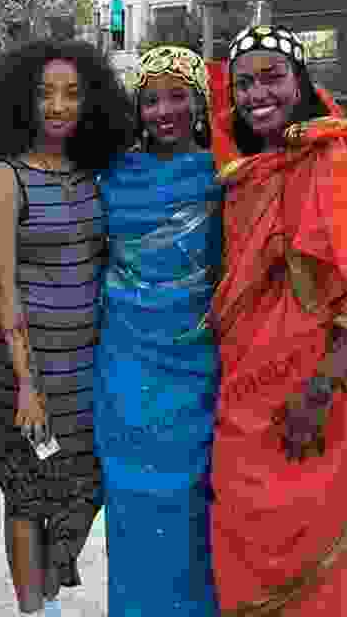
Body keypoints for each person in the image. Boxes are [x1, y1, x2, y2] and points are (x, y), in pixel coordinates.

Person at [210, 24, 347, 616]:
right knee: (245, 530)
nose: (258, 94)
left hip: (323, 389)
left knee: (331, 559)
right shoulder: (242, 174)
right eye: (245, 84)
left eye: (272, 78)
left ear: (301, 81)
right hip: (244, 389)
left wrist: (319, 389)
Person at [0, 39, 134, 617]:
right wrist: (25, 383)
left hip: (86, 367)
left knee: (78, 489)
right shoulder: (4, 178)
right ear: (23, 100)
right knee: (27, 496)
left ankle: (48, 597)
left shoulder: (96, 176)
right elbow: (2, 289)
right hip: (26, 370)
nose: (59, 105)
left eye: (72, 93)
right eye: (45, 93)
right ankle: (34, 610)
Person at [94, 46, 222, 616]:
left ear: (201, 103)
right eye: (150, 100)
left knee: (195, 515)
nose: (163, 110)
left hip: (199, 370)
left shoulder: (227, 174)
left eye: (177, 96)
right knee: (134, 514)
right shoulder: (114, 176)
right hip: (126, 366)